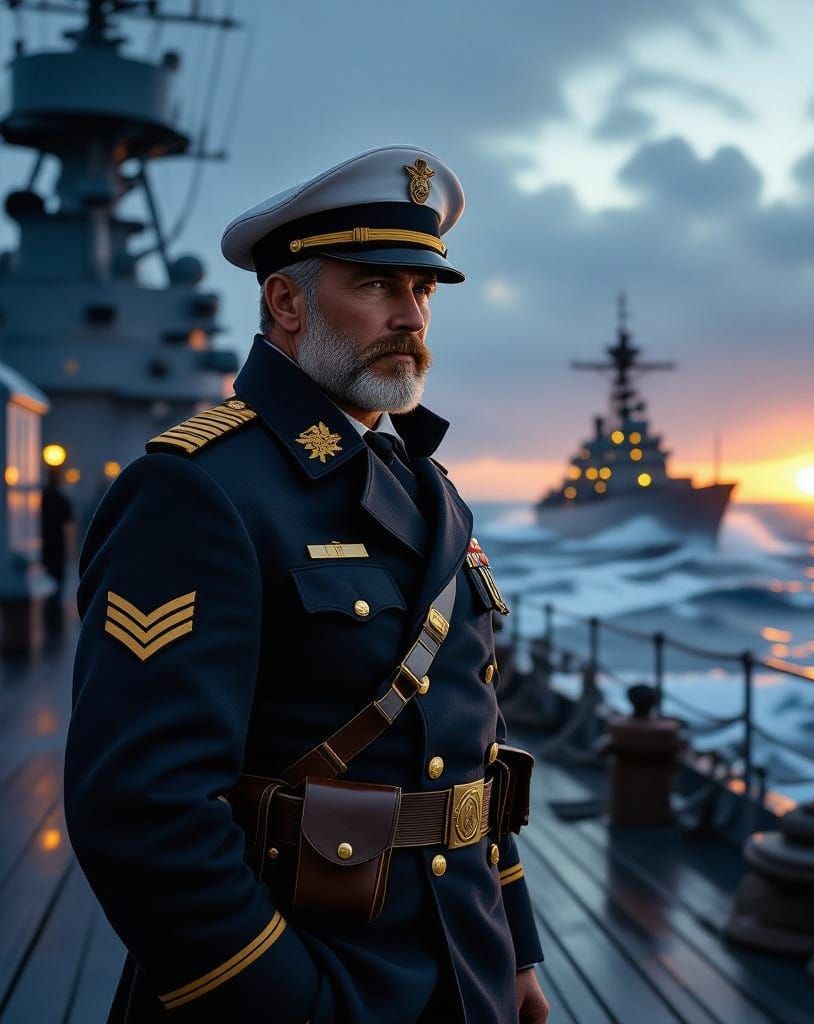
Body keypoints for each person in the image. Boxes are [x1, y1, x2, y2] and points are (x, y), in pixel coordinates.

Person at [65, 146, 548, 1024]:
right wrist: (294, 1003)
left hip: (461, 966)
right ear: (286, 302)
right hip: (308, 979)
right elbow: (141, 811)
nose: (411, 315)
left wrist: (512, 951)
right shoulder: (199, 489)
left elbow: (475, 754)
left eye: (423, 291)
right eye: (375, 286)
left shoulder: (427, 486)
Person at [40, 465, 74, 628]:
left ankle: (47, 613)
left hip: (44, 546)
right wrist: (70, 551)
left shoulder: (40, 498)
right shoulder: (62, 499)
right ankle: (55, 616)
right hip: (58, 547)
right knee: (59, 582)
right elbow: (68, 528)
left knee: (46, 579)